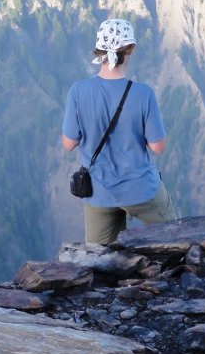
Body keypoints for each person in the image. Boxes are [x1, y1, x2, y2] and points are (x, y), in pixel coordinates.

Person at [62, 18, 176, 244]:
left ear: (99, 50)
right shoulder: (143, 94)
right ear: (130, 49)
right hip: (140, 189)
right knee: (175, 238)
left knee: (99, 257)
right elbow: (158, 147)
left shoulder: (78, 91)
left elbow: (69, 143)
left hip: (99, 193)